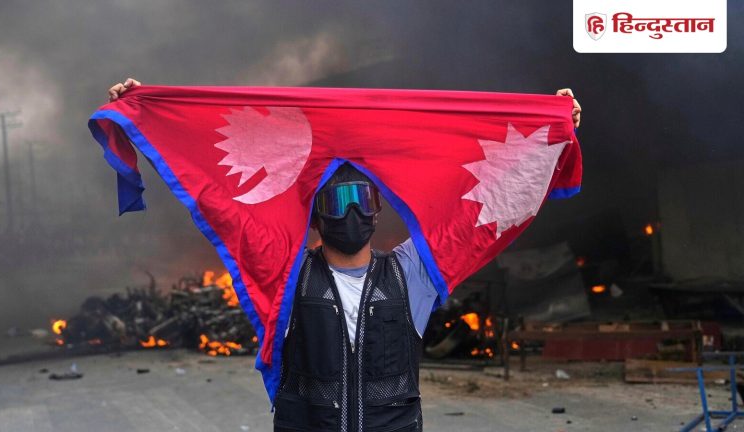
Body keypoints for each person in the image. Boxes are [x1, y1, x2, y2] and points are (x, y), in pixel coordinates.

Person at [108, 79, 582, 432]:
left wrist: (550, 131)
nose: (352, 212)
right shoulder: (286, 275)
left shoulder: (412, 273)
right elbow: (216, 201)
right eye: (338, 202)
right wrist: (144, 117)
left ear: (378, 211)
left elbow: (493, 201)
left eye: (363, 200)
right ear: (315, 218)